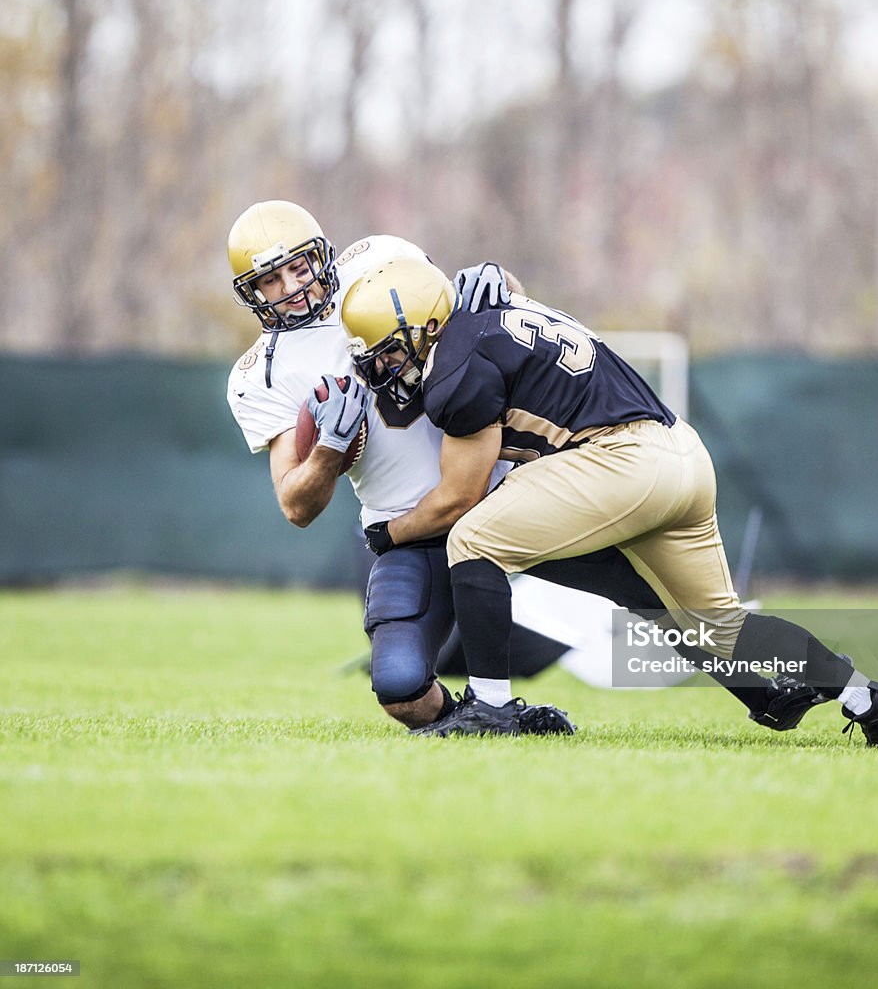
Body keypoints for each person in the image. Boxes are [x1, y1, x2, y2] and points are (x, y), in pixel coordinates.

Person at [225, 201, 827, 737]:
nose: (291, 288)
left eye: (298, 267)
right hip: (411, 529)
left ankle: (786, 692)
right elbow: (295, 504)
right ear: (250, 293)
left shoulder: (381, 261)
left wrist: (499, 278)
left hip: (509, 495)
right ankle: (486, 721)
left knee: (660, 602)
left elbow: (483, 321)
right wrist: (329, 449)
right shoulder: (262, 374)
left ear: (321, 256)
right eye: (269, 280)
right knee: (401, 686)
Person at [342, 257, 878, 747]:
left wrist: (388, 534)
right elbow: (509, 308)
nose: (387, 369)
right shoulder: (494, 315)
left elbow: (457, 498)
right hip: (682, 454)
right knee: (718, 626)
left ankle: (490, 706)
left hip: (620, 460)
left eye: (390, 354)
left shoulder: (455, 369)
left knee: (474, 539)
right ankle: (868, 698)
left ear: (425, 328)